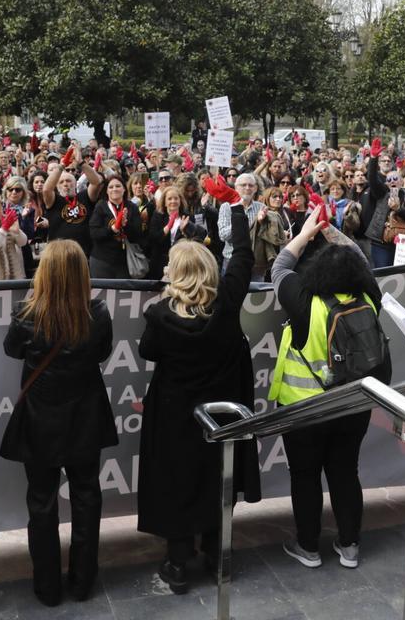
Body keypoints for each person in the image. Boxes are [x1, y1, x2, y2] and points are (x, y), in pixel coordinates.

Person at [137, 204, 262, 593]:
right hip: (220, 415)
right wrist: (235, 217)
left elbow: (148, 352)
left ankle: (177, 564)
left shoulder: (160, 316)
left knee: (178, 483)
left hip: (176, 417)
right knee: (217, 479)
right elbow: (243, 255)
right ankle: (215, 554)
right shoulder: (226, 303)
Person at [268, 205, 393, 569]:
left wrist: (308, 232)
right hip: (353, 405)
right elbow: (362, 263)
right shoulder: (370, 298)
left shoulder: (304, 303)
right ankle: (349, 545)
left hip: (304, 410)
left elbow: (280, 267)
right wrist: (333, 233)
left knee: (305, 477)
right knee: (344, 472)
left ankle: (307, 547)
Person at [0, 240, 117, 606]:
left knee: (41, 501)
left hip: (40, 417)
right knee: (87, 497)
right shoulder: (96, 312)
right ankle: (83, 582)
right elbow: (101, 353)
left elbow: (11, 349)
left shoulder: (26, 313)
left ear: (44, 272)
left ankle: (47, 587)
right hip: (85, 414)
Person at [87, 174, 142, 278]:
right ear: (106, 191)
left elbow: (138, 234)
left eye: (118, 186)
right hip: (101, 260)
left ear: (124, 189)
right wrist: (113, 229)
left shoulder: (132, 207)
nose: (114, 189)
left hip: (124, 261)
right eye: (111, 187)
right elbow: (94, 233)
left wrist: (125, 225)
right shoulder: (101, 206)